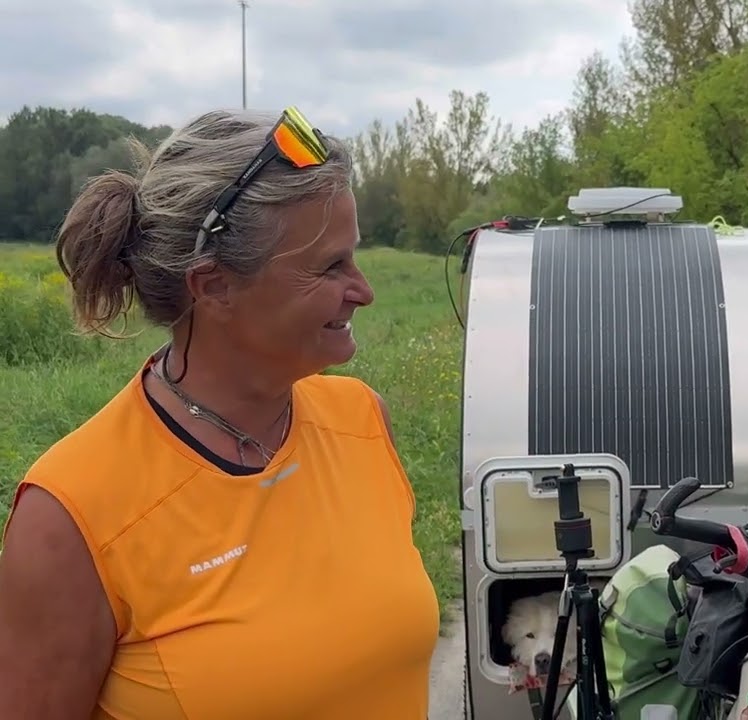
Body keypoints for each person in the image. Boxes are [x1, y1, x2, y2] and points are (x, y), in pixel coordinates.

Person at [0, 107, 440, 719]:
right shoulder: (70, 515)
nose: (363, 289)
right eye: (330, 266)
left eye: (353, 257)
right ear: (213, 286)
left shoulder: (363, 421)